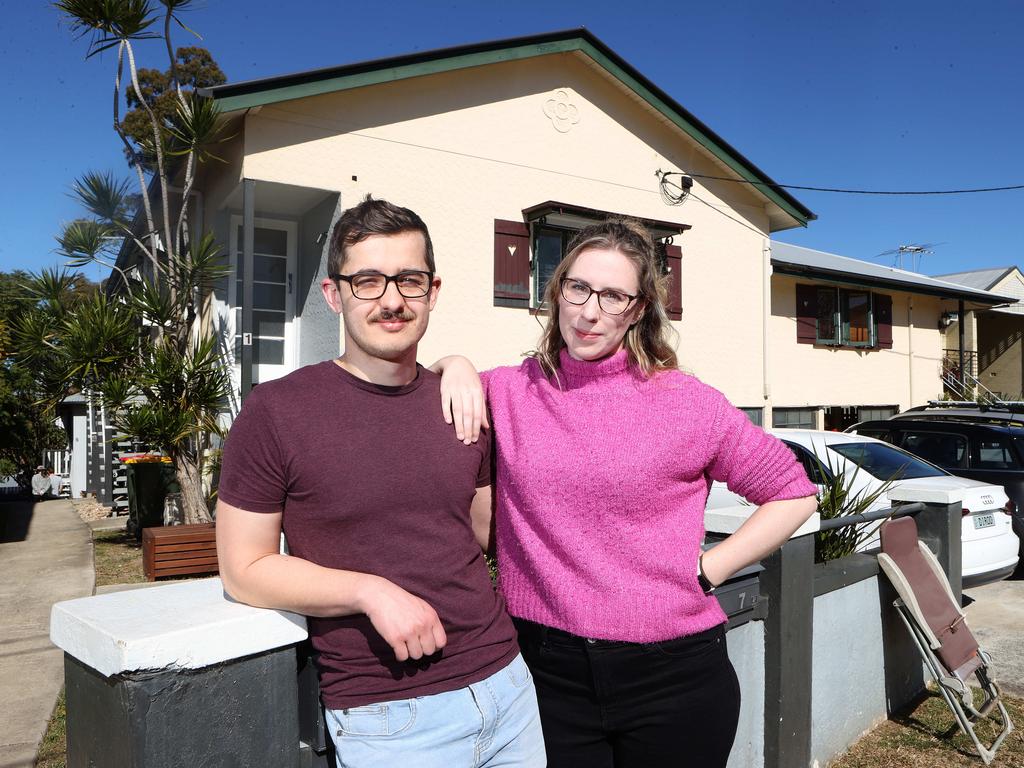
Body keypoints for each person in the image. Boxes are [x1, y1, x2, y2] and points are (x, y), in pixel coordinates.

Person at [436, 219, 819, 768]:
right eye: (578, 288)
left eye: (613, 296)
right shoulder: (510, 390)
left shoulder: (688, 403)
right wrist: (454, 364)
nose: (590, 311)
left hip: (674, 679)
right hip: (545, 673)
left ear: (638, 309)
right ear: (557, 291)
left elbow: (794, 492)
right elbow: (422, 398)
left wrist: (709, 569)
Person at [215, 196, 545, 768]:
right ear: (333, 294)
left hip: (507, 687)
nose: (391, 300)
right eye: (367, 281)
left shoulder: (461, 403)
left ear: (432, 292)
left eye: (408, 280)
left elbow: (483, 534)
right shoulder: (276, 411)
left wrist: (456, 362)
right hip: (389, 715)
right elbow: (244, 570)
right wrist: (370, 592)